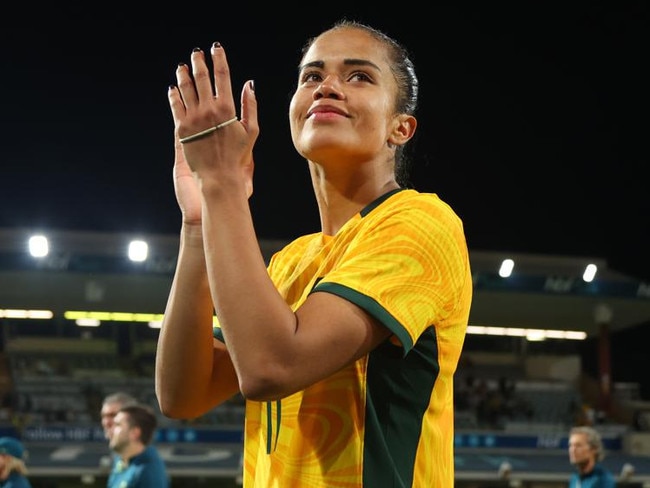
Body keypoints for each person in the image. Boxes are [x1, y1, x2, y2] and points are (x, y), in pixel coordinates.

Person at [155, 19, 472, 487]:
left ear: (400, 128)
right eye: (312, 76)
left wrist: (222, 184)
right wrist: (200, 224)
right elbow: (183, 394)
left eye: (359, 76)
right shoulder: (292, 260)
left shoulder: (421, 223)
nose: (328, 88)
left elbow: (271, 367)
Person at [107, 403, 170, 488]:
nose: (111, 430)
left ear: (135, 433)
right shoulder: (121, 462)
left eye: (118, 425)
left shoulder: (149, 471)